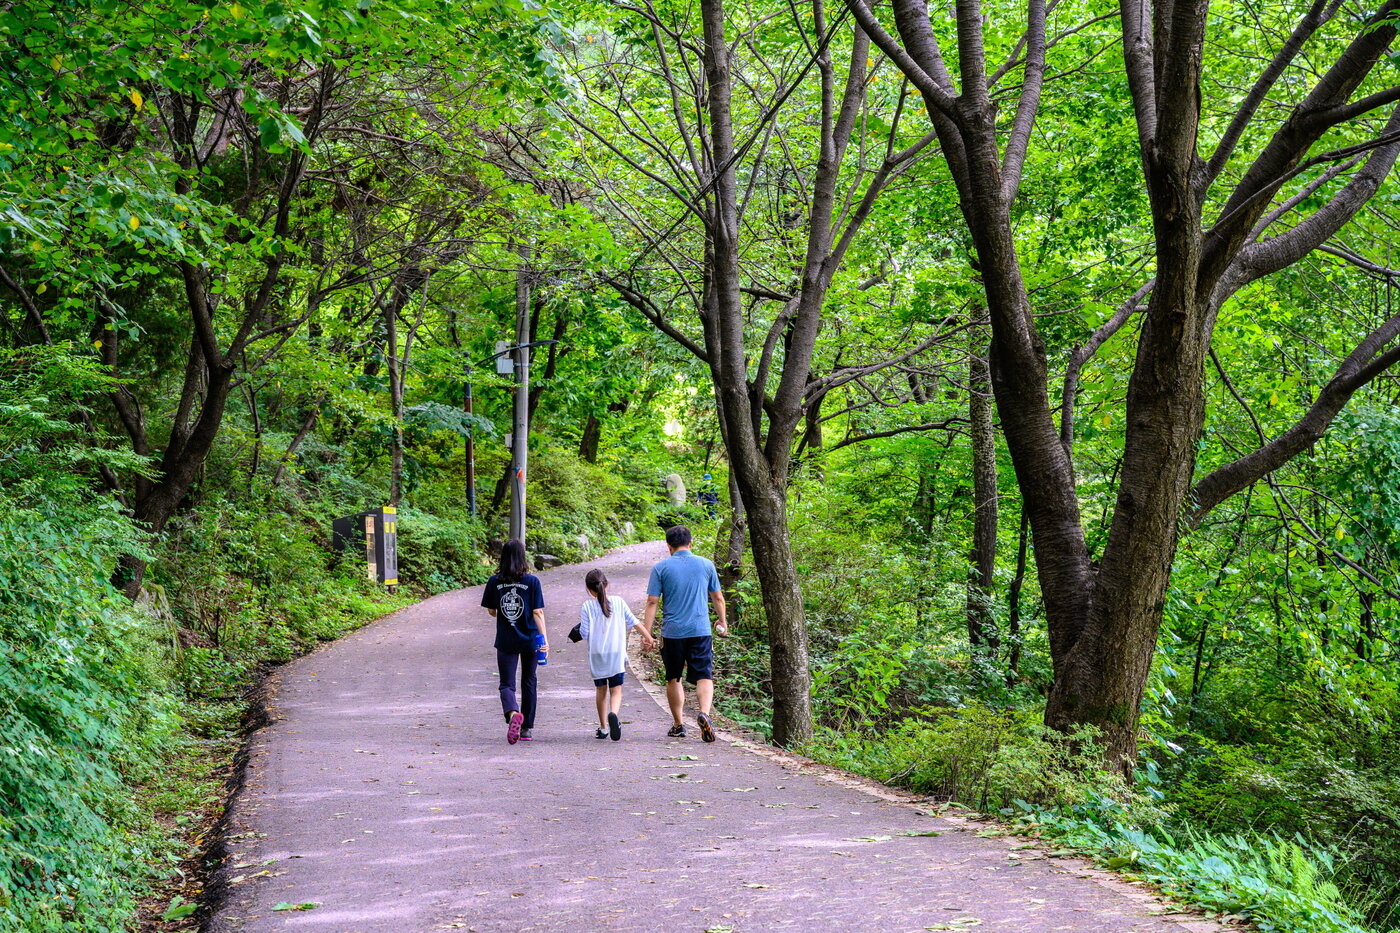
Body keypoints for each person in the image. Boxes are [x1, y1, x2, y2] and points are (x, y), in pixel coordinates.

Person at [641, 525, 727, 741]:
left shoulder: (661, 568)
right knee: (704, 675)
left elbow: (652, 601)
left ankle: (679, 724)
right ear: (691, 543)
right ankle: (704, 714)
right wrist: (723, 621)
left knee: (673, 678)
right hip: (700, 630)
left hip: (672, 632)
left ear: (668, 546)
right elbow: (717, 597)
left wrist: (647, 633)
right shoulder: (706, 565)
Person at [481, 539, 548, 744]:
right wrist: (544, 639)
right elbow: (538, 612)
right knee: (529, 681)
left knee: (506, 684)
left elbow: (492, 611)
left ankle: (512, 714)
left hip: (506, 639)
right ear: (522, 556)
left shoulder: (495, 581)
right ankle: (526, 728)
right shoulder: (532, 581)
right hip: (529, 639)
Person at [578, 568, 640, 741]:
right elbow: (634, 622)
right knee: (616, 690)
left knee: (601, 690)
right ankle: (613, 714)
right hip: (616, 654)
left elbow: (584, 633)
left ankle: (604, 727)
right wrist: (649, 638)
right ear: (606, 584)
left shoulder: (587, 606)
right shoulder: (618, 602)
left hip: (597, 654)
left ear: (589, 589)